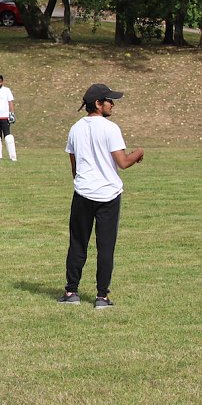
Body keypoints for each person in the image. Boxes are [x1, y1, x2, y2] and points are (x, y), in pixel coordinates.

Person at [58, 84, 144, 309]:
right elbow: (123, 162)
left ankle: (71, 292)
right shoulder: (110, 128)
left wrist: (83, 183)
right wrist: (139, 153)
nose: (112, 104)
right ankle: (102, 297)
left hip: (83, 193)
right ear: (98, 104)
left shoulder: (75, 128)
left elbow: (74, 166)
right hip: (108, 194)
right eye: (109, 100)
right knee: (105, 246)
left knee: (78, 243)